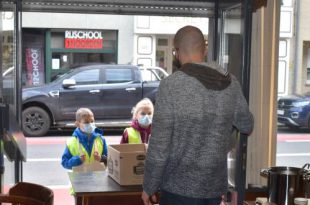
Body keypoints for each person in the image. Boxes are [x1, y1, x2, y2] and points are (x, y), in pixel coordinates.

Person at [141, 25, 254, 205]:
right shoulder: (230, 82)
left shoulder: (170, 86)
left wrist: (149, 186)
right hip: (214, 189)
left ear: (176, 52)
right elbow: (247, 125)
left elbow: (160, 145)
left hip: (177, 190)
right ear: (205, 49)